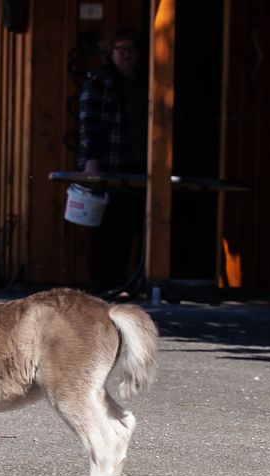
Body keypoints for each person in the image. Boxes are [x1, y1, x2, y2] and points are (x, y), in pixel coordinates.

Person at [77, 27, 148, 294]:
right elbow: (89, 123)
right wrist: (92, 160)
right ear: (111, 53)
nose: (128, 56)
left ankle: (123, 283)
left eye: (132, 50)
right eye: (122, 50)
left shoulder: (144, 81)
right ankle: (104, 285)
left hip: (137, 163)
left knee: (130, 225)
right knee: (107, 228)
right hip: (109, 164)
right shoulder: (100, 80)